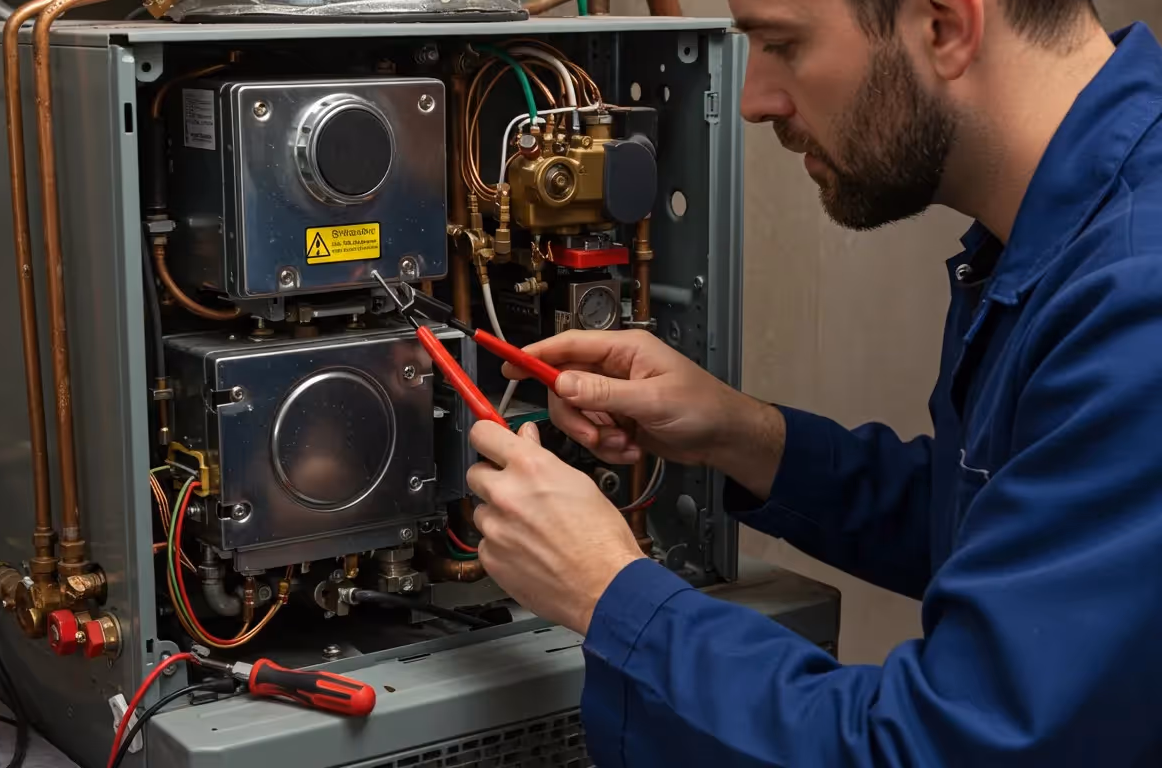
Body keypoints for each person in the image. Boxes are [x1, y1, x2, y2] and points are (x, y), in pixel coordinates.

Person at [465, 0, 1162, 764]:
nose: (752, 99)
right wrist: (745, 436)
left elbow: (943, 748)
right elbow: (1013, 524)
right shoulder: (1076, 231)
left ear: (946, 26)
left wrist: (607, 593)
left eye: (781, 45)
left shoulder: (1137, 298)